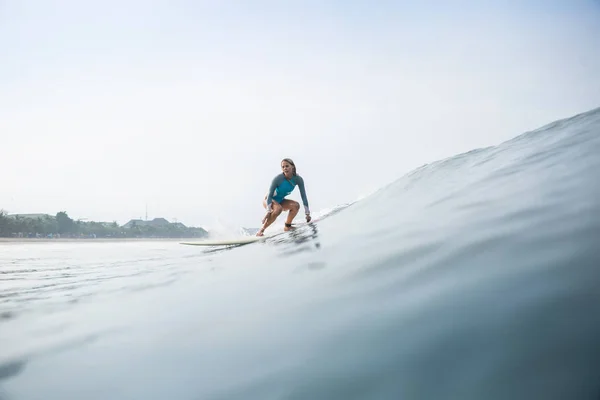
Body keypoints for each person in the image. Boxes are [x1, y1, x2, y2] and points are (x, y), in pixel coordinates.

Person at [256, 158, 311, 236]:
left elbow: (303, 196)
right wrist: (268, 211)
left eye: (287, 166)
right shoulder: (278, 179)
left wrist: (307, 213)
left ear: (292, 167)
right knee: (278, 209)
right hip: (269, 199)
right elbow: (270, 195)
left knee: (296, 205)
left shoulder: (298, 179)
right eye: (283, 167)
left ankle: (287, 226)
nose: (285, 168)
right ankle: (261, 230)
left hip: (280, 200)